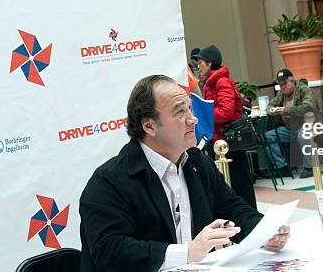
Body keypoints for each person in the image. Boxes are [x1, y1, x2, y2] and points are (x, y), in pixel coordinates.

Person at [79, 75, 290, 272]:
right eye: (180, 112)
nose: (193, 119)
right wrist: (188, 252)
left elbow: (233, 208)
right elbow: (110, 251)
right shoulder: (109, 181)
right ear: (149, 126)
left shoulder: (197, 162)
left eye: (190, 109)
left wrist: (265, 231)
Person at [194, 45, 257, 209]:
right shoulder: (213, 82)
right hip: (222, 140)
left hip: (230, 141)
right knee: (233, 183)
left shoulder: (221, 82)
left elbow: (226, 112)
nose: (198, 66)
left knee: (240, 183)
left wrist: (204, 114)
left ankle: (250, 219)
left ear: (209, 63)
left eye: (200, 62)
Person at [266, 69, 319, 178]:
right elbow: (271, 104)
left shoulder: (304, 90)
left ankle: (310, 167)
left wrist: (286, 110)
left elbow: (308, 108)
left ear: (293, 81)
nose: (283, 87)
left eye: (285, 83)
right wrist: (271, 110)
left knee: (303, 135)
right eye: (280, 85)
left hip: (307, 125)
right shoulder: (281, 94)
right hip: (290, 128)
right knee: (268, 136)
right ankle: (282, 167)